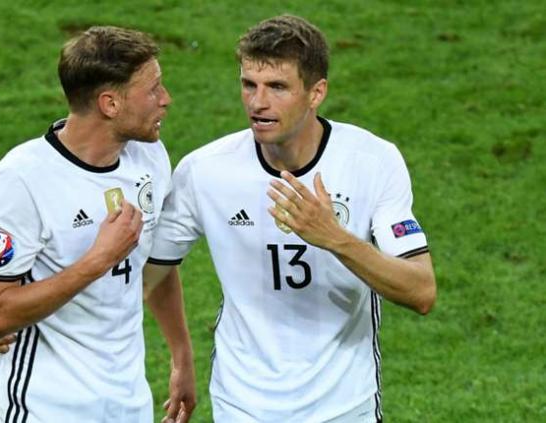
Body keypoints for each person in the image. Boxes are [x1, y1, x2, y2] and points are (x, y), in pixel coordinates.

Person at [146, 15, 437, 422]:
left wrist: (333, 237)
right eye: (249, 84)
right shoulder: (206, 170)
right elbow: (150, 272)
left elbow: (421, 291)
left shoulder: (371, 161)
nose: (257, 102)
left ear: (316, 92)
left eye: (277, 87)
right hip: (242, 405)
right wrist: (180, 354)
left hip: (344, 407)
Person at [0, 26, 195, 423]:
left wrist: (181, 356)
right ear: (110, 103)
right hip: (45, 409)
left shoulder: (150, 158)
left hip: (129, 404)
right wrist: (98, 259)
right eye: (153, 89)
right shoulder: (20, 182)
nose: (166, 100)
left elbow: (157, 265)